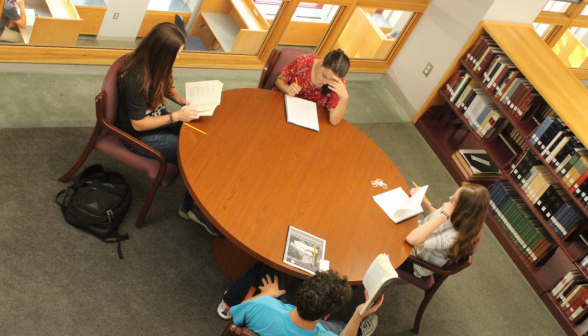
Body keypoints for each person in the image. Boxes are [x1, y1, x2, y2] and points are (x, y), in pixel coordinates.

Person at [117, 22, 221, 237]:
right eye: (177, 53)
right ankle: (189, 209)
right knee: (194, 154)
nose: (179, 57)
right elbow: (138, 124)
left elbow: (166, 86)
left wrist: (182, 101)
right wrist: (175, 116)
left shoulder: (157, 63)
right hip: (139, 135)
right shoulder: (136, 77)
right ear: (163, 52)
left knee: (202, 134)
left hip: (161, 120)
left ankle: (201, 199)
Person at [217, 262, 383, 336]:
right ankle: (360, 330)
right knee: (340, 327)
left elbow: (238, 318)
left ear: (301, 291)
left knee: (266, 266)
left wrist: (266, 294)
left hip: (274, 313)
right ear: (326, 314)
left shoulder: (264, 305)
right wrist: (358, 315)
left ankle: (228, 303)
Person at [401, 182, 489, 277]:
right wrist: (421, 200)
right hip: (415, 237)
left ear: (463, 209)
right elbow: (432, 218)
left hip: (415, 261)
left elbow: (412, 239)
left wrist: (444, 215)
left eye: (454, 199)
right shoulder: (456, 213)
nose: (450, 198)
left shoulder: (452, 237)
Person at [274, 49, 350, 126]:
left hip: (308, 120)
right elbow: (279, 80)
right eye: (324, 75)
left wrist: (344, 99)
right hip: (284, 108)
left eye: (332, 81)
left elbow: (334, 121)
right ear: (322, 61)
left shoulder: (339, 85)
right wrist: (288, 89)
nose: (325, 82)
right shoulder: (302, 62)